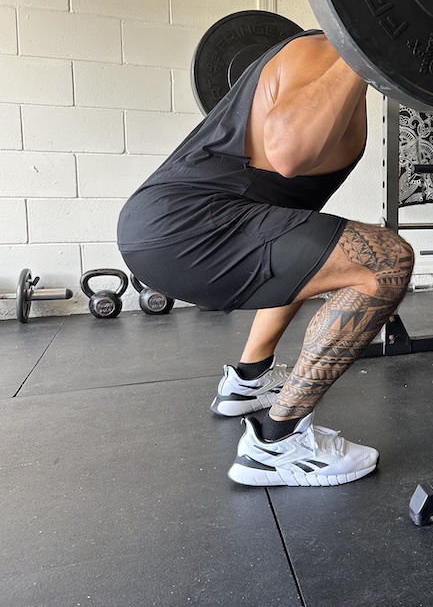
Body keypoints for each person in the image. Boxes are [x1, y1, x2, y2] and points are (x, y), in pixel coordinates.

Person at [117, 29, 415, 487]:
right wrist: (370, 44)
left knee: (312, 251)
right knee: (386, 261)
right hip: (189, 227)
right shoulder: (326, 51)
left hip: (161, 226)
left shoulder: (312, 74)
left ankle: (247, 382)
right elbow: (290, 152)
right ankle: (276, 443)